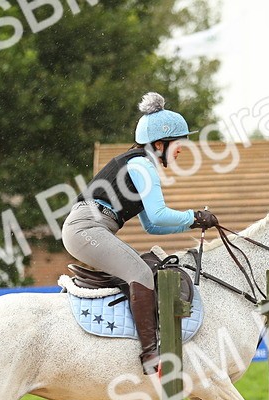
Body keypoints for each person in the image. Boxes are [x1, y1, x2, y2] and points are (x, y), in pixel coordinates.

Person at [61, 92, 219, 375]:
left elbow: (152, 226)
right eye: (178, 144)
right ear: (159, 144)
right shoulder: (141, 164)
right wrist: (194, 216)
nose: (181, 150)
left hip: (89, 227)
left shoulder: (138, 164)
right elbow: (159, 215)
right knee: (141, 274)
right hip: (86, 228)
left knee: (144, 268)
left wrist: (193, 223)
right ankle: (150, 356)